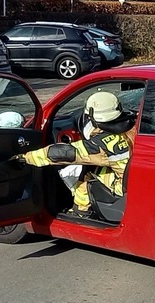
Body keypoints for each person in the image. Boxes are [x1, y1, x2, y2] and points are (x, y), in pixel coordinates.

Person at [15, 91, 136, 219]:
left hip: (123, 186)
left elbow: (63, 153)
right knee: (94, 166)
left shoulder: (101, 144)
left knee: (87, 175)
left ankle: (81, 212)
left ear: (92, 117)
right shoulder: (135, 126)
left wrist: (26, 157)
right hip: (137, 177)